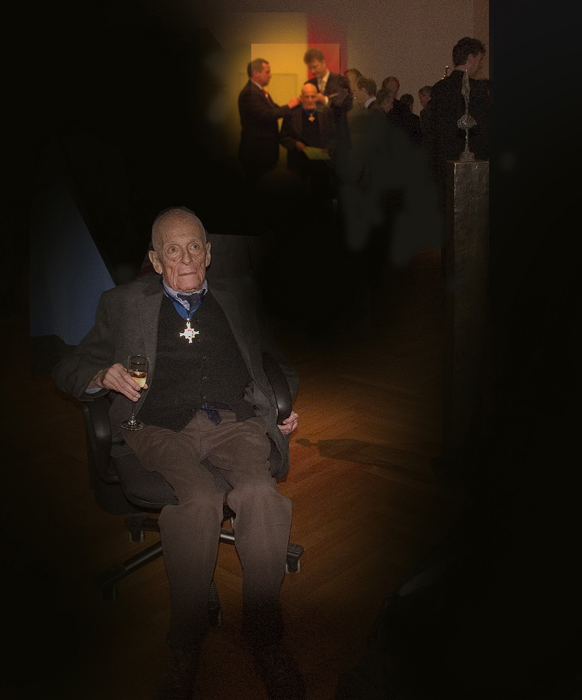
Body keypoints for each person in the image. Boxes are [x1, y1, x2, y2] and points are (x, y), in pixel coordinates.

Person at [53, 206, 304, 700]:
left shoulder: (239, 299)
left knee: (261, 495)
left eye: (194, 247)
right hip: (157, 425)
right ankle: (185, 643)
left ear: (208, 254)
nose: (185, 258)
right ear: (154, 259)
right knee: (199, 500)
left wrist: (281, 407)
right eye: (172, 249)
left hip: (234, 422)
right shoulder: (121, 304)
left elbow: (275, 363)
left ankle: (265, 634)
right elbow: (70, 365)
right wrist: (101, 375)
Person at [424, 36, 489, 199]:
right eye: (479, 59)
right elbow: (484, 128)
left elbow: (432, 129)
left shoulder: (439, 88)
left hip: (443, 165)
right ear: (470, 58)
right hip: (471, 166)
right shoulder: (479, 89)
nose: (480, 65)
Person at [237, 58, 300, 183]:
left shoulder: (260, 92)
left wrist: (295, 108)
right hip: (256, 155)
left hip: (264, 154)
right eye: (267, 72)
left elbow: (275, 109)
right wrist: (289, 106)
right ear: (256, 73)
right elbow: (266, 115)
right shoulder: (250, 93)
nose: (270, 75)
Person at [280, 82, 336, 198]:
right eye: (307, 97)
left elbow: (335, 137)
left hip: (321, 162)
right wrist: (295, 144)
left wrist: (328, 149)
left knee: (320, 196)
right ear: (301, 98)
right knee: (297, 195)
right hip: (298, 162)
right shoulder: (291, 114)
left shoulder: (326, 113)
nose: (310, 100)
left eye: (313, 96)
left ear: (317, 97)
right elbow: (283, 137)